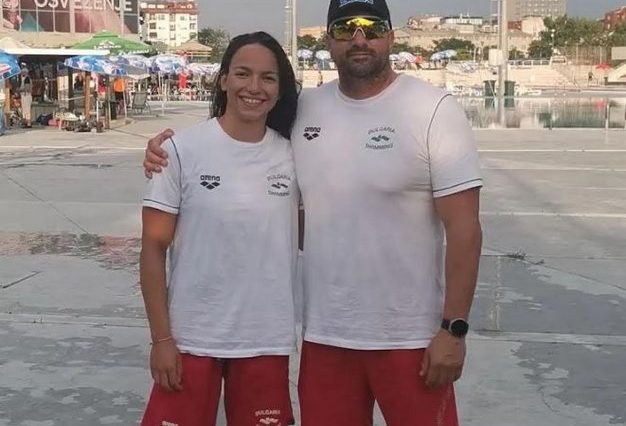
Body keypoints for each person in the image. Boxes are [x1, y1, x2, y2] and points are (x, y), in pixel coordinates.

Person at [143, 1, 483, 424]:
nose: (359, 38)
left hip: (410, 336)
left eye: (372, 27)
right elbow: (239, 147)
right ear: (328, 39)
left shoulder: (432, 108)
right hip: (325, 336)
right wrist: (166, 155)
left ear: (391, 36)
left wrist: (454, 328)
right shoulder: (306, 110)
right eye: (344, 28)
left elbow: (465, 229)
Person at [139, 31, 299, 426]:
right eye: (243, 74)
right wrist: (161, 339)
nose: (254, 87)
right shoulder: (179, 151)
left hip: (264, 340)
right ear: (224, 79)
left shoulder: (295, 156)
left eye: (268, 78)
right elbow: (153, 249)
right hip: (192, 339)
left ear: (280, 90)